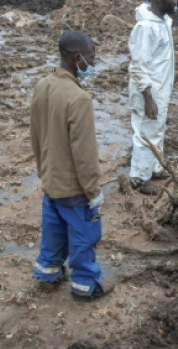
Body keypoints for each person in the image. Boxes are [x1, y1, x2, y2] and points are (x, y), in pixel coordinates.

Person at [30, 31, 114, 300]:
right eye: (91, 56)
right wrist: (93, 190)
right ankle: (86, 284)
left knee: (53, 230)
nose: (93, 61)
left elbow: (35, 134)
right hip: (73, 187)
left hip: (51, 179)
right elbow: (84, 152)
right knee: (83, 235)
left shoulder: (43, 85)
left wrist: (43, 170)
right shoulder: (79, 98)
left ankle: (48, 272)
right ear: (76, 58)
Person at [126, 0, 178, 195]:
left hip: (160, 86)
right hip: (151, 90)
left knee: (157, 128)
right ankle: (139, 177)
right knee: (146, 131)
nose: (176, 1)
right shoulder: (146, 28)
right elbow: (137, 65)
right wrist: (148, 97)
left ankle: (155, 166)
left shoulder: (162, 21)